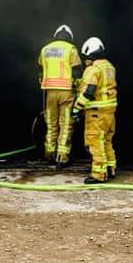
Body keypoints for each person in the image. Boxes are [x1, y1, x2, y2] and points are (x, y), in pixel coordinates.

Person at [72, 37, 117, 184]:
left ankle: (99, 174)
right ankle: (110, 168)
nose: (86, 60)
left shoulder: (93, 69)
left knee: (96, 142)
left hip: (97, 113)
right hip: (109, 112)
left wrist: (77, 108)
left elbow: (89, 92)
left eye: (86, 57)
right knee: (107, 141)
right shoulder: (109, 67)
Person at [37, 24, 82, 168]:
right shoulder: (71, 49)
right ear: (69, 37)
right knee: (66, 124)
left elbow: (40, 70)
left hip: (49, 92)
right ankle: (62, 158)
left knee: (51, 124)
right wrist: (79, 90)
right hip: (66, 92)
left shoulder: (45, 50)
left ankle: (49, 154)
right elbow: (77, 71)